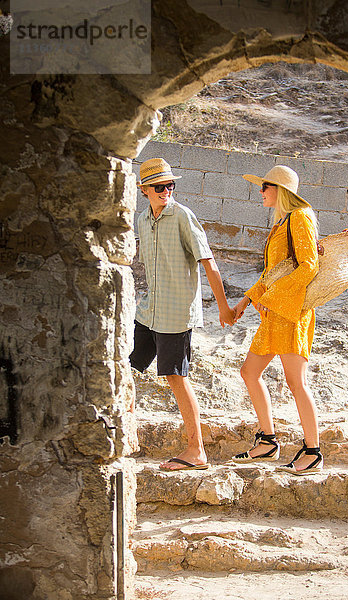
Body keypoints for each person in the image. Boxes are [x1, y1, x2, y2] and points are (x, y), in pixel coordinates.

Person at [130, 157, 235, 472]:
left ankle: (196, 450)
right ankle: (119, 431)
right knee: (128, 366)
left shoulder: (183, 217)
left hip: (176, 312)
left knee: (176, 376)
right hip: (150, 308)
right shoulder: (142, 220)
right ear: (143, 190)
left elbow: (209, 262)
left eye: (170, 185)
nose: (166, 191)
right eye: (159, 187)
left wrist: (224, 307)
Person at [232, 165, 323, 475]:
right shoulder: (282, 222)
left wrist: (270, 298)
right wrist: (246, 300)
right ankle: (268, 441)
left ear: (280, 190)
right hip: (275, 314)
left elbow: (309, 266)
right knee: (249, 372)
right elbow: (273, 273)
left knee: (296, 383)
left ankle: (313, 451)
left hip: (293, 313)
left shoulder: (300, 217)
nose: (261, 192)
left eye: (265, 187)